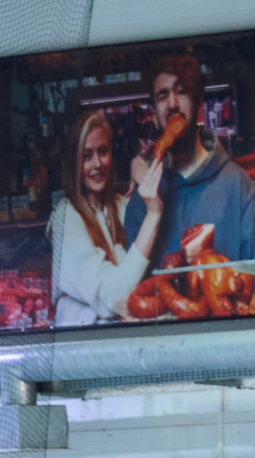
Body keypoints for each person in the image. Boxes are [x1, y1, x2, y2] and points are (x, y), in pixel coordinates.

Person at [122, 53, 255, 313]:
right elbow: (130, 293)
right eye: (162, 95)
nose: (172, 103)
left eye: (181, 92)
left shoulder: (238, 186)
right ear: (155, 114)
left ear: (199, 104)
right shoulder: (142, 201)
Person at [51, 108, 165, 326]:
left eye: (103, 151)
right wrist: (153, 214)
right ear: (74, 162)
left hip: (120, 347)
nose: (97, 164)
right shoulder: (66, 217)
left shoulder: (121, 206)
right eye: (86, 156)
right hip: (82, 354)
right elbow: (113, 297)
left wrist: (142, 167)